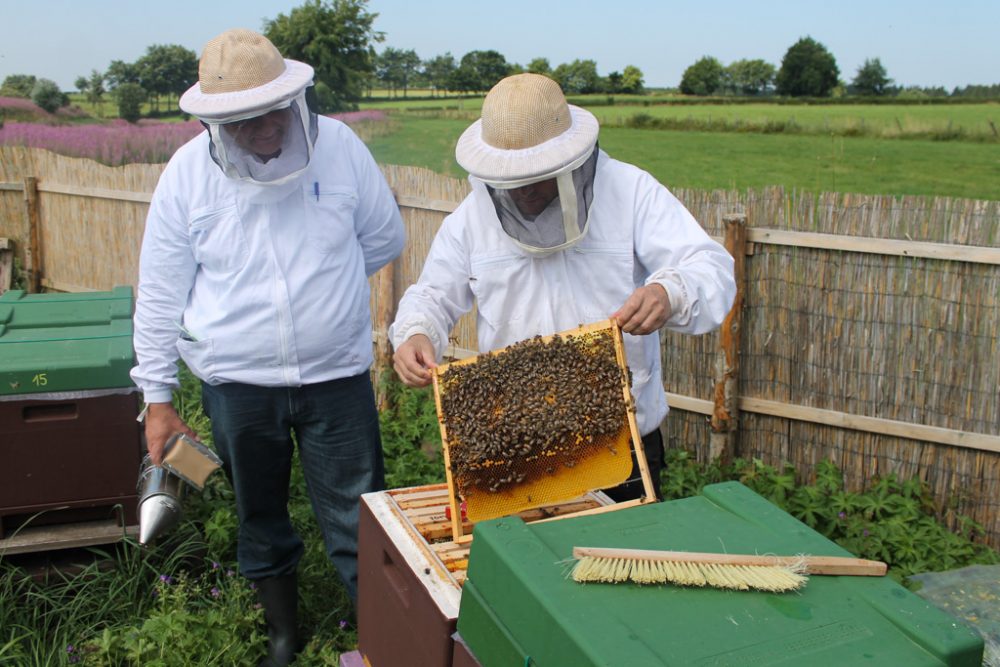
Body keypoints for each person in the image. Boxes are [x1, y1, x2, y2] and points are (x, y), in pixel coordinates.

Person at [130, 29, 405, 667]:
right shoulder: (185, 178)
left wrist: (322, 298)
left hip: (337, 380)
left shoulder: (339, 149)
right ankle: (284, 636)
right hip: (236, 386)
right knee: (260, 511)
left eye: (273, 112)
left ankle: (385, 637)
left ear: (296, 96)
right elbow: (162, 294)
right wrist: (157, 398)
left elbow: (383, 239)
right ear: (213, 121)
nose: (262, 130)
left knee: (360, 514)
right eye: (242, 120)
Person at [390, 73, 735, 501]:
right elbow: (430, 295)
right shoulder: (471, 216)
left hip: (621, 450)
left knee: (622, 566)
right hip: (514, 448)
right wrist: (415, 332)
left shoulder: (631, 191)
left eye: (538, 176)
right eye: (514, 180)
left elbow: (711, 267)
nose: (527, 192)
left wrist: (670, 292)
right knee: (521, 567)